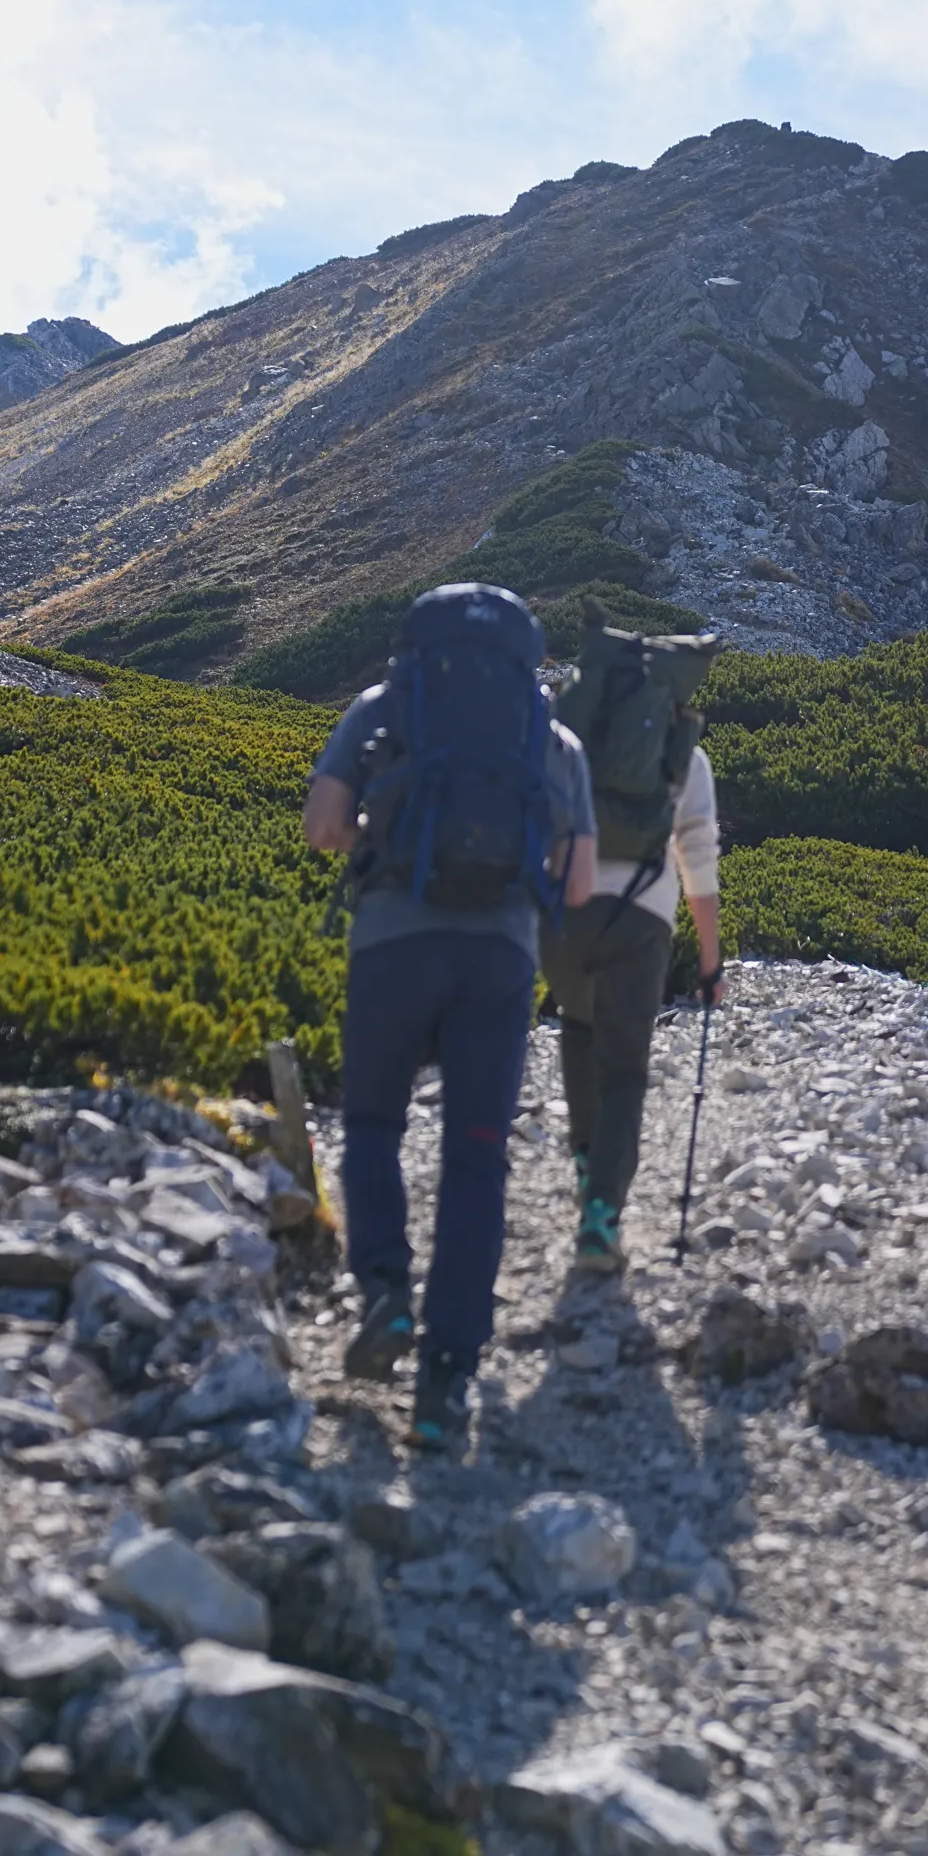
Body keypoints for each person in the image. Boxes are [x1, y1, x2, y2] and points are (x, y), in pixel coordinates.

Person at [303, 583, 596, 1450]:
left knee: (371, 1126)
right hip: (499, 962)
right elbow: (577, 887)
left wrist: (389, 841)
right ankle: (446, 1384)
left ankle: (386, 1292)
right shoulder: (553, 737)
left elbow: (322, 825)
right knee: (476, 1157)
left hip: (390, 943)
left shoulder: (383, 707)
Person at [541, 656, 720, 1276]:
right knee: (624, 1071)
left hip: (562, 913)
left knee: (579, 1025)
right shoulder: (683, 757)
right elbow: (697, 855)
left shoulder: (570, 744)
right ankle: (600, 1218)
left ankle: (588, 1164)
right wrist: (709, 956)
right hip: (641, 919)